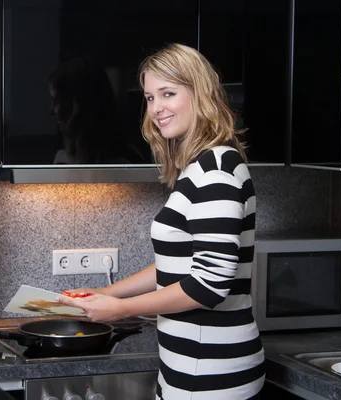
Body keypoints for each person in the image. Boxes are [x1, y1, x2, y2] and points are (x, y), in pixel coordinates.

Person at [57, 43, 265, 400]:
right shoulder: (198, 168)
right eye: (151, 97)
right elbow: (179, 264)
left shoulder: (216, 172)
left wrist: (120, 309)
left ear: (199, 94)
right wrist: (107, 292)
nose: (156, 108)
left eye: (168, 93)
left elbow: (208, 285)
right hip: (190, 368)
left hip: (211, 375)